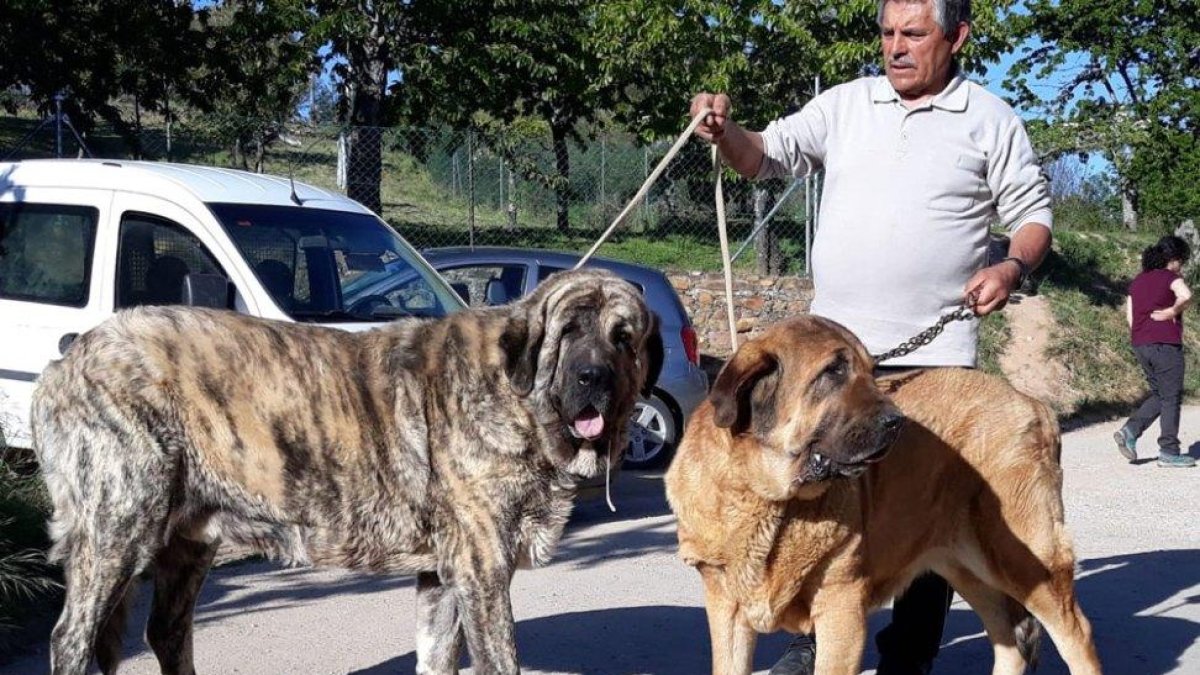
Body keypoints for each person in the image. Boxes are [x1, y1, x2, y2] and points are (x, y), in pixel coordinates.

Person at [689, 0, 1054, 672]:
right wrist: (724, 130)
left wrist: (1011, 264)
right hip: (836, 368)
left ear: (957, 35)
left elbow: (1033, 215)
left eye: (913, 33)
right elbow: (763, 156)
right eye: (887, 33)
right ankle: (814, 641)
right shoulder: (845, 104)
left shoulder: (989, 119)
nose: (895, 47)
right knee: (815, 510)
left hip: (935, 366)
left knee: (924, 522)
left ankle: (908, 657)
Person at [1114, 235, 1197, 468]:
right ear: (1174, 259)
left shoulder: (1138, 281)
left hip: (1141, 344)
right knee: (1171, 398)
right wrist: (1172, 311)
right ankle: (1169, 451)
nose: (1182, 265)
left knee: (1161, 393)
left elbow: (1130, 316)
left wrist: (1144, 335)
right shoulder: (1171, 277)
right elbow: (1187, 296)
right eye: (1182, 260)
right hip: (1165, 345)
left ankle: (1130, 431)